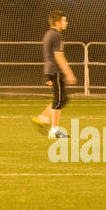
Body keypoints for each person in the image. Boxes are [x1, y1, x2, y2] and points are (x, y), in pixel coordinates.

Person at [33, 11, 76, 140]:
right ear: (57, 23)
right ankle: (53, 130)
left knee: (62, 99)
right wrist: (69, 73)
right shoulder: (56, 35)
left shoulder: (49, 34)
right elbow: (58, 55)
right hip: (55, 70)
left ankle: (43, 118)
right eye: (64, 21)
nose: (66, 23)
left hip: (51, 70)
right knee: (58, 100)